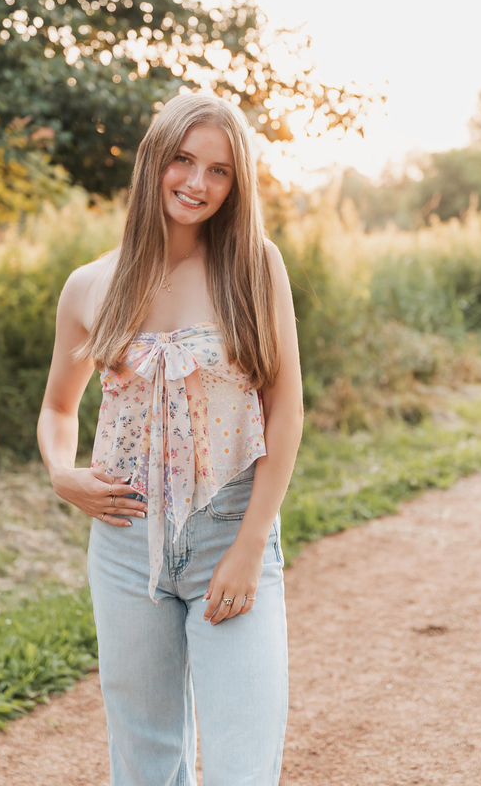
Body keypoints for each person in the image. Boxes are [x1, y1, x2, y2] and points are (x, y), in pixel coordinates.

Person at [37, 91, 304, 786]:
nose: (197, 183)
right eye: (183, 160)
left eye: (218, 170)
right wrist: (61, 473)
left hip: (229, 529)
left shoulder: (254, 265)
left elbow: (286, 411)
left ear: (235, 183)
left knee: (241, 766)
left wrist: (250, 546)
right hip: (125, 541)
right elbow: (58, 409)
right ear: (155, 160)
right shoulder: (89, 285)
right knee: (145, 762)